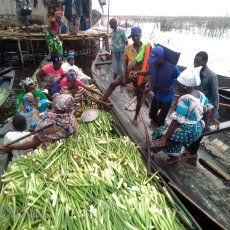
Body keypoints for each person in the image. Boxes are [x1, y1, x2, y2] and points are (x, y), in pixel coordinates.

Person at [151, 67, 212, 164]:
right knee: (173, 131)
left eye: (179, 84)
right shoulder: (200, 94)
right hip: (198, 128)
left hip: (189, 132)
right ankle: (176, 154)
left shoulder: (185, 99)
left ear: (185, 86)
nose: (176, 86)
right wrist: (205, 125)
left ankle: (174, 156)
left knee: (161, 131)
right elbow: (208, 111)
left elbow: (176, 121)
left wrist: (165, 137)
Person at [102, 27, 150, 125]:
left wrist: (149, 80)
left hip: (141, 76)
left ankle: (136, 117)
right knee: (113, 83)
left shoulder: (147, 48)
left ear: (141, 35)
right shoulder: (128, 47)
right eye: (133, 36)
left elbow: (150, 65)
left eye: (137, 35)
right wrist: (124, 77)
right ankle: (101, 101)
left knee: (140, 96)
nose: (135, 38)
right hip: (129, 73)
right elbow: (125, 62)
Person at [0, 94, 77, 152]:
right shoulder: (71, 117)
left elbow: (35, 143)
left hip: (52, 150)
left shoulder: (46, 123)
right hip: (67, 147)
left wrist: (13, 147)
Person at [131, 45, 180, 128]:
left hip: (167, 96)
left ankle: (159, 129)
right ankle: (153, 125)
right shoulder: (154, 63)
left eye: (155, 60)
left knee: (160, 120)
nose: (154, 62)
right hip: (157, 94)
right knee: (152, 116)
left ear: (161, 58)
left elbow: (180, 81)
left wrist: (179, 98)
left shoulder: (173, 69)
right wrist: (137, 72)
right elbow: (149, 72)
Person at [187, 51, 220, 158]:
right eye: (194, 62)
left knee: (201, 129)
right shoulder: (194, 71)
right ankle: (190, 148)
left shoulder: (212, 76)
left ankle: (192, 153)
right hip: (193, 105)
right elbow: (190, 87)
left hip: (205, 109)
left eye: (198, 62)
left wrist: (215, 115)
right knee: (190, 126)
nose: (195, 64)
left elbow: (215, 96)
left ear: (205, 61)